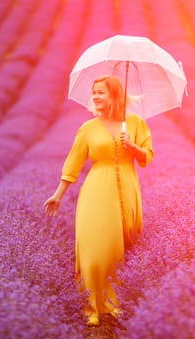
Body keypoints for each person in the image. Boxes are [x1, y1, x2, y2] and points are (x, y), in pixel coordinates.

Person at [43, 75, 154, 326]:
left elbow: (148, 155)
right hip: (96, 190)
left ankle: (113, 303)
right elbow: (73, 162)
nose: (95, 96)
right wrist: (58, 195)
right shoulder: (88, 128)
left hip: (127, 187)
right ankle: (91, 305)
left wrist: (133, 147)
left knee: (119, 248)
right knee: (95, 248)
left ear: (114, 95)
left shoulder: (135, 123)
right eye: (94, 92)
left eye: (101, 92)